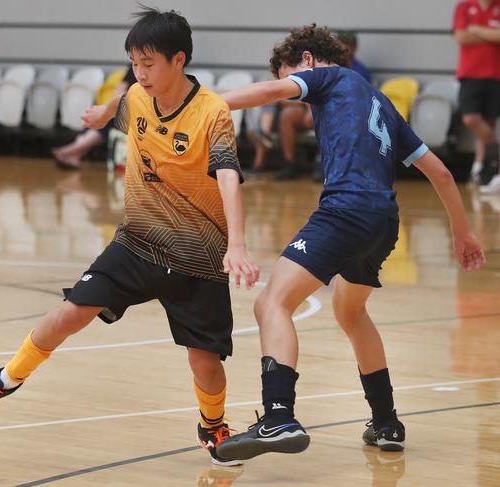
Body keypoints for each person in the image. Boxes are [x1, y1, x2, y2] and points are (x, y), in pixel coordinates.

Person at [0, 7, 259, 466]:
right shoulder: (135, 96)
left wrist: (238, 245)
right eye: (134, 62)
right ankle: (3, 380)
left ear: (179, 59)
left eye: (149, 63)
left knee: (206, 361)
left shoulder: (213, 113)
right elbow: (121, 104)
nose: (140, 73)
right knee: (71, 313)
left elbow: (229, 175)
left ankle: (212, 427)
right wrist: (98, 114)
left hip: (198, 256)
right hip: (135, 243)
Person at [212, 24, 486, 461]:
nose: (292, 95)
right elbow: (442, 173)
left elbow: (266, 92)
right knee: (351, 311)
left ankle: (278, 416)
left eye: (291, 82)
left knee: (272, 305)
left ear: (305, 61)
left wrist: (197, 106)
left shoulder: (329, 76)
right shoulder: (381, 101)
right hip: (384, 220)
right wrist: (463, 232)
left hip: (346, 210)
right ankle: (386, 421)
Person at [452, 0, 500, 191]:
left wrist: (477, 30)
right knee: (471, 119)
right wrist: (490, 35)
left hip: (495, 76)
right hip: (470, 75)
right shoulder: (464, 7)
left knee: (487, 124)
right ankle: (495, 152)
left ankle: (481, 169)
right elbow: (461, 37)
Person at [52, 67, 137, 170]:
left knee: (109, 119)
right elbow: (121, 90)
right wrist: (109, 108)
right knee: (99, 116)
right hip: (125, 110)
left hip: (137, 114)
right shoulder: (133, 67)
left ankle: (75, 148)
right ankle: (75, 154)